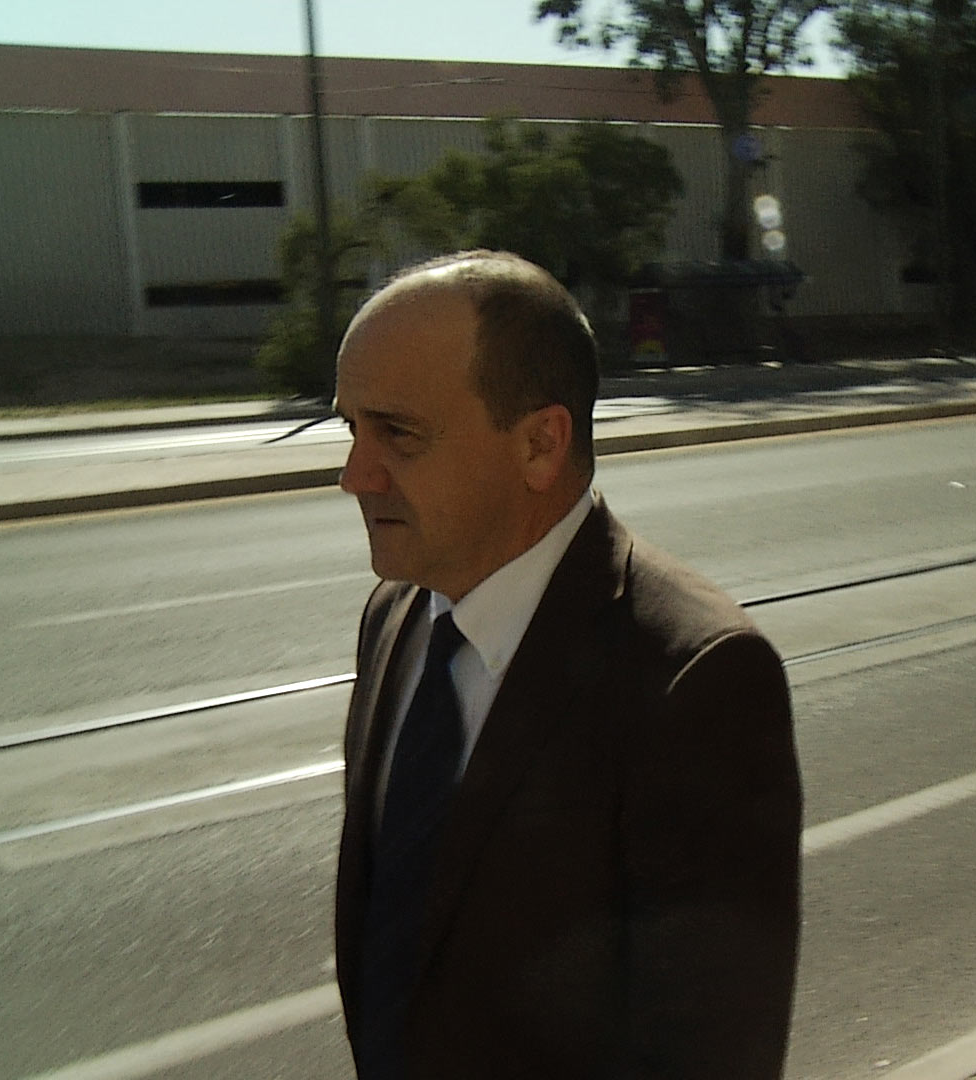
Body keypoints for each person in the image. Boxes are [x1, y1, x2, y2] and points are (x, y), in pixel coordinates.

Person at [330, 250, 802, 1079]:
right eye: (351, 429)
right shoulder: (395, 617)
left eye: (397, 432)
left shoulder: (695, 678)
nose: (354, 476)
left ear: (541, 444)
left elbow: (711, 1051)